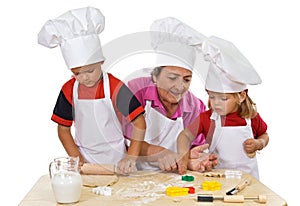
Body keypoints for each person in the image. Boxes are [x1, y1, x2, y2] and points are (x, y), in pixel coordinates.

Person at [38, 7, 146, 174]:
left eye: (90, 71)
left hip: (117, 161)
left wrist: (131, 157)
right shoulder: (68, 90)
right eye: (77, 73)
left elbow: (139, 122)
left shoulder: (115, 87)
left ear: (101, 62)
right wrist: (76, 159)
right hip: (85, 161)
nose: (84, 78)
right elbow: (63, 129)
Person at [123, 17, 218, 172]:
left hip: (173, 181)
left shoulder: (194, 106)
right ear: (155, 76)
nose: (180, 87)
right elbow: (125, 139)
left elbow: (194, 147)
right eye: (172, 78)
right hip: (134, 176)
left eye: (187, 79)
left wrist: (192, 159)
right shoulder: (135, 89)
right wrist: (161, 153)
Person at [174, 36, 269, 179]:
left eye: (223, 98)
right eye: (212, 96)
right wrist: (183, 156)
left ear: (241, 96)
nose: (216, 103)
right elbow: (185, 135)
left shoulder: (251, 117)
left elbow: (264, 135)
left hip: (249, 180)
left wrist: (259, 143)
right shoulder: (206, 118)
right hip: (216, 179)